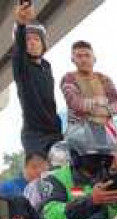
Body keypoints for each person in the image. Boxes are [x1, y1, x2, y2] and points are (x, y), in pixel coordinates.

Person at [12, 3, 63, 155]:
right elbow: (19, 49)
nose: (32, 42)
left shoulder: (47, 67)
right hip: (34, 136)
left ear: (43, 44)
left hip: (54, 133)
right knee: (39, 176)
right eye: (28, 39)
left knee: (63, 174)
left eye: (36, 39)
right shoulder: (21, 67)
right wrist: (21, 23)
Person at [61, 41, 117, 127]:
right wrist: (100, 101)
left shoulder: (104, 79)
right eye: (79, 56)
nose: (84, 59)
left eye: (87, 55)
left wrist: (100, 110)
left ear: (94, 59)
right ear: (72, 60)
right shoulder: (68, 78)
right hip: (79, 133)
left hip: (106, 133)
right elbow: (75, 103)